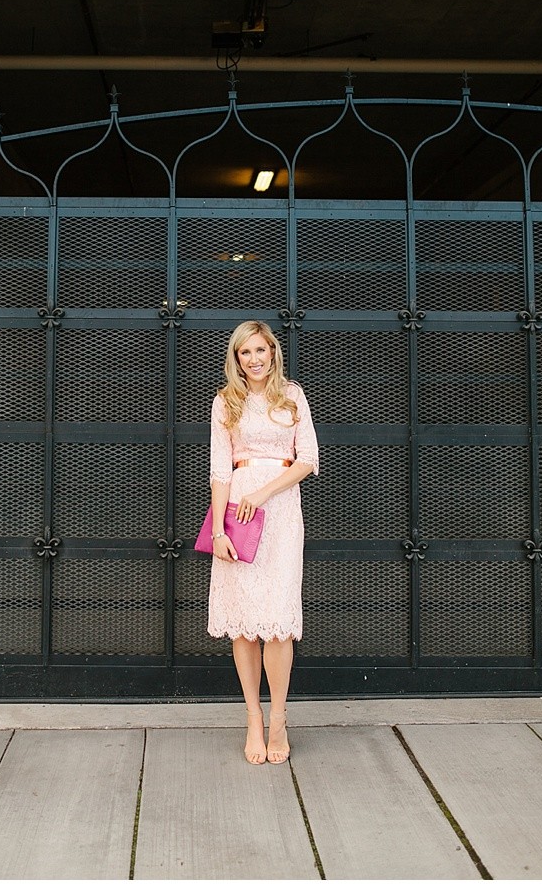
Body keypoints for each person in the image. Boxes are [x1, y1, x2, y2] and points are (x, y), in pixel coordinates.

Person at [207, 320, 319, 765]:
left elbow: (308, 459)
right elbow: (219, 472)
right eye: (244, 353)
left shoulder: (292, 395)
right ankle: (253, 717)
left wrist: (263, 491)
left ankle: (278, 718)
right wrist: (218, 531)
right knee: (244, 621)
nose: (253, 359)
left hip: (281, 512)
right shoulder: (224, 402)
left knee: (277, 618)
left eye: (260, 350)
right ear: (236, 359)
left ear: (272, 352)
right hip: (237, 512)